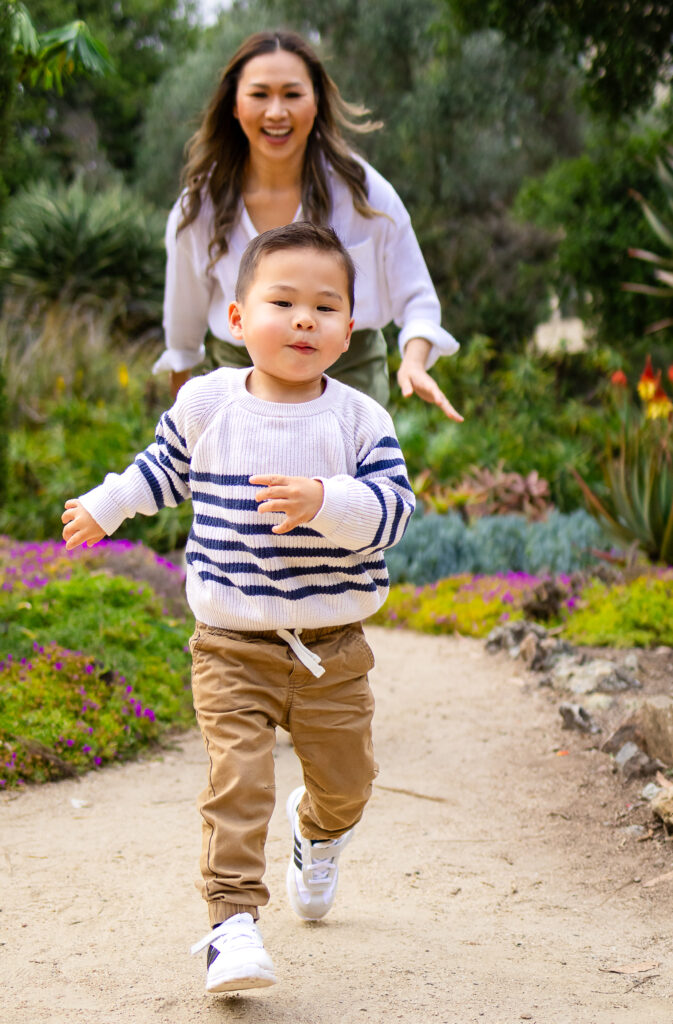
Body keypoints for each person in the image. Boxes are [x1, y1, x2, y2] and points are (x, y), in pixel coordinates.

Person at [62, 222, 415, 994]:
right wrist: (106, 505)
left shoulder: (359, 420)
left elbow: (392, 511)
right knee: (238, 777)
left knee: (348, 781)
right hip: (231, 643)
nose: (302, 320)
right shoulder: (210, 402)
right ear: (235, 317)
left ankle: (317, 835)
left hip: (333, 645)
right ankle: (231, 925)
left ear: (347, 330)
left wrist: (327, 500)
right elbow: (157, 470)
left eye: (324, 308)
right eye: (281, 301)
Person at [154, 29, 463, 421]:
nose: (277, 112)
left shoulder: (363, 192)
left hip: (349, 390)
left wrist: (414, 363)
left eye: (293, 94)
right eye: (260, 94)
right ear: (234, 104)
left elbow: (417, 300)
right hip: (239, 391)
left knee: (343, 487)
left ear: (316, 101)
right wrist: (180, 434)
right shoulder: (200, 208)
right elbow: (183, 333)